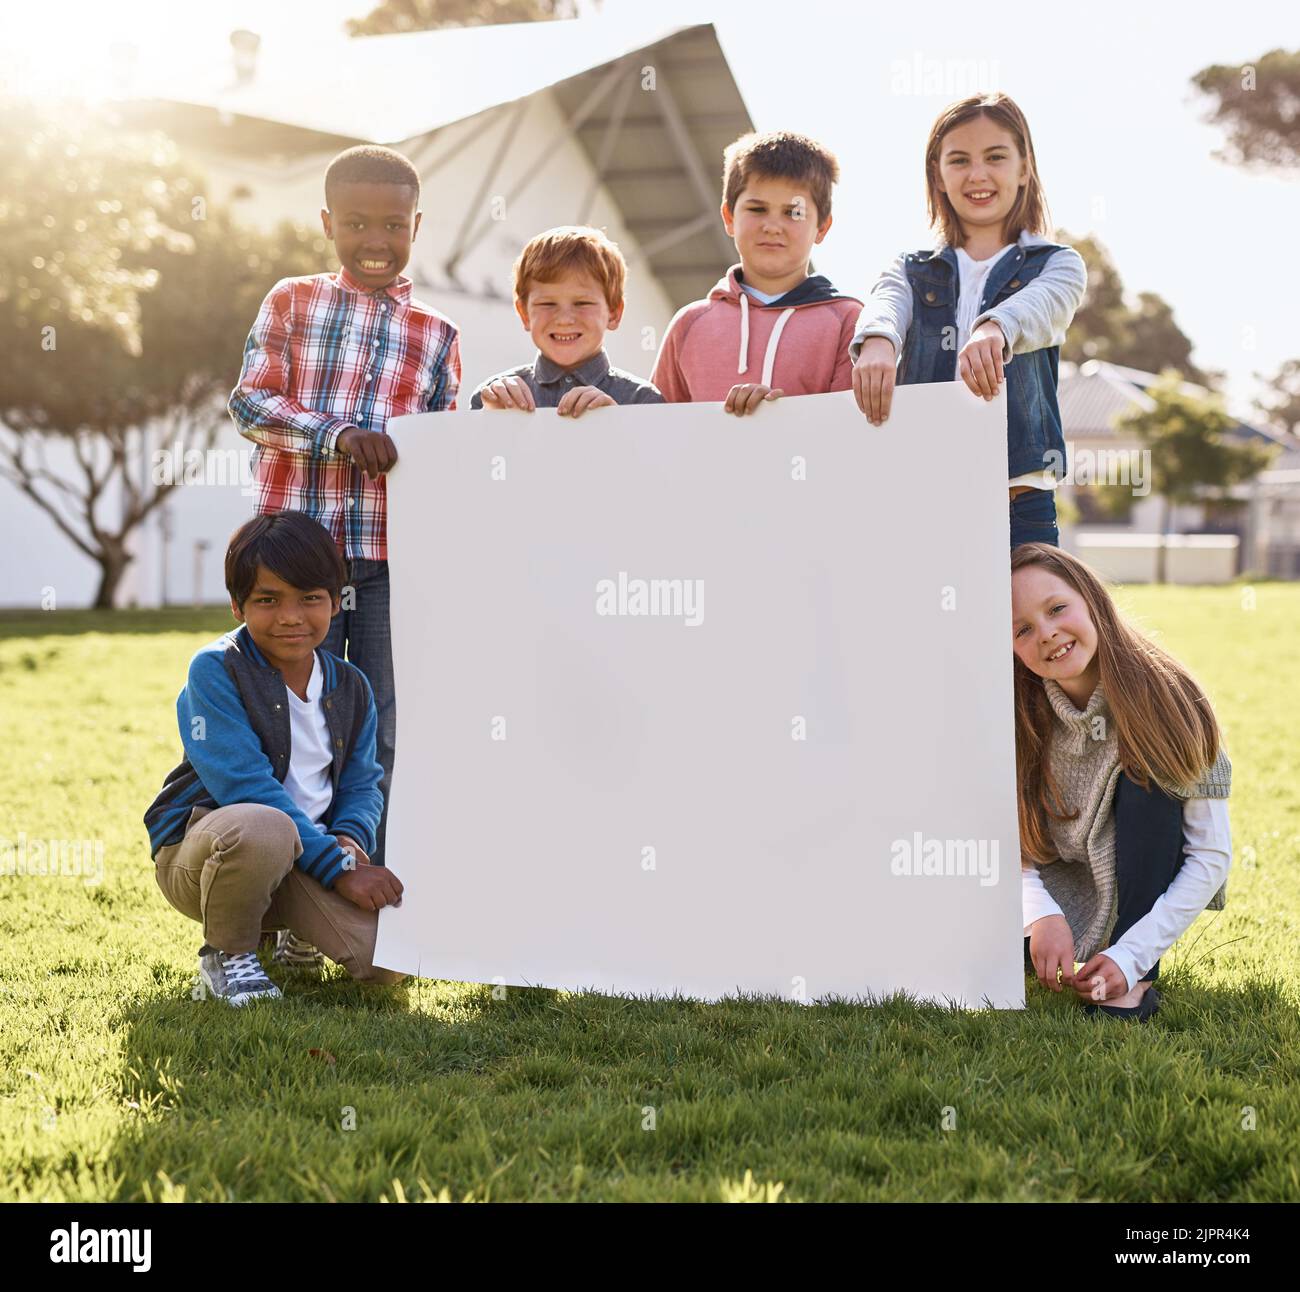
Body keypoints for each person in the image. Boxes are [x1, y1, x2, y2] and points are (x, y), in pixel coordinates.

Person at [228, 144, 461, 880]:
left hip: (388, 564)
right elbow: (250, 403)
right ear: (327, 222)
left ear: (416, 226)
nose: (375, 242)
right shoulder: (292, 301)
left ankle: (369, 880)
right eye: (356, 223)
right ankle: (290, 884)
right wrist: (338, 435)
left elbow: (443, 449)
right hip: (296, 565)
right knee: (291, 719)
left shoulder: (438, 335)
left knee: (382, 723)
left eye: (393, 225)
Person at [143, 512, 406, 1006]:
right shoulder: (216, 669)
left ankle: (294, 931)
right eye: (268, 599)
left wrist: (348, 845)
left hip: (307, 856)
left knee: (386, 963)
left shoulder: (351, 685)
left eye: (310, 598)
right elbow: (244, 786)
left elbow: (363, 783)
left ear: (335, 601)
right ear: (237, 606)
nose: (291, 616)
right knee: (265, 827)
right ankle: (228, 954)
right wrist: (341, 869)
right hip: (206, 856)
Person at [849, 93, 1088, 549]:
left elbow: (1040, 308)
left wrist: (994, 329)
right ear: (937, 175)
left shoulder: (1058, 263)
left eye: (995, 157)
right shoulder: (910, 266)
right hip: (921, 493)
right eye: (959, 160)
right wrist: (878, 341)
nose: (977, 174)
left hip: (1019, 498)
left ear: (1024, 168)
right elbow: (886, 303)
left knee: (1021, 621)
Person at [1010, 542, 1233, 1022]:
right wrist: (1038, 912)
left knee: (1146, 778)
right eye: (1023, 629)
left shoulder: (1170, 699)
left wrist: (1132, 956)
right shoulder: (1015, 711)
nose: (1046, 633)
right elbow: (1005, 832)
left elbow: (1210, 857)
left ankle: (1130, 980)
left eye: (1057, 608)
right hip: (1050, 889)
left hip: (1137, 897)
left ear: (1092, 598)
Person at [650, 130, 862, 414]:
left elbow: (850, 430)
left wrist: (774, 421)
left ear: (822, 227)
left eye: (793, 213)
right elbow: (655, 430)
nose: (773, 226)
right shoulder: (688, 324)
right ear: (729, 217)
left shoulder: (849, 321)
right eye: (758, 209)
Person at [470, 226, 663, 414]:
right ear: (524, 314)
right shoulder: (492, 399)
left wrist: (616, 427)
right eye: (547, 304)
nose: (564, 319)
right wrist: (490, 423)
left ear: (613, 312)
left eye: (582, 303)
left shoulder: (644, 402)